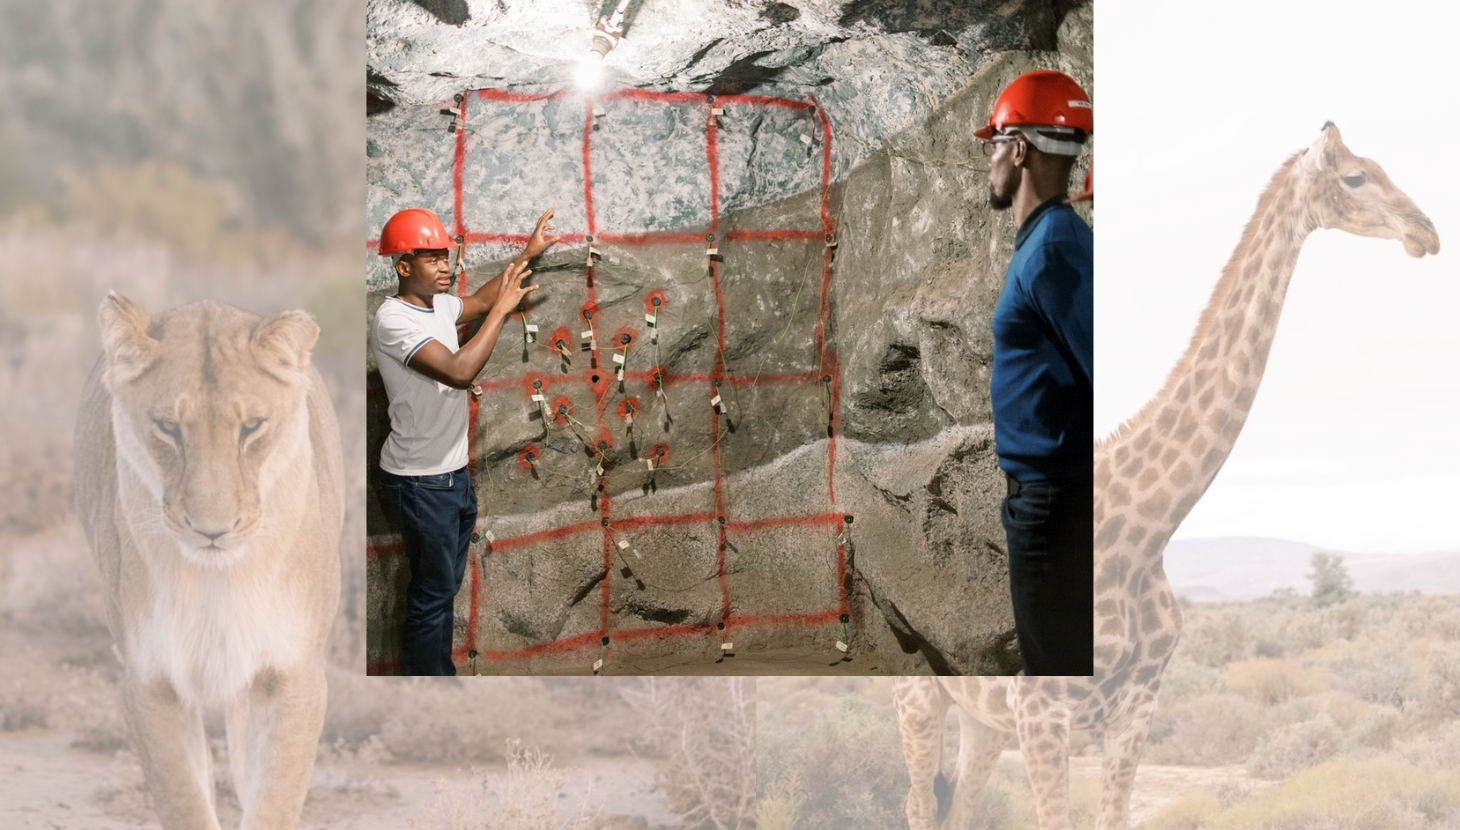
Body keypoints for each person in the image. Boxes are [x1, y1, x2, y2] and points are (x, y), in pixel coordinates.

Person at [371, 206, 558, 675]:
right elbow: (459, 371)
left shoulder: (439, 307)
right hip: (419, 482)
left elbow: (477, 299)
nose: (444, 266)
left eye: (445, 257)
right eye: (432, 259)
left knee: (442, 590)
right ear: (403, 266)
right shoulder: (394, 321)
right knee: (432, 597)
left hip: (450, 476)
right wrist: (501, 312)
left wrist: (528, 254)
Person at [976, 70, 1094, 676]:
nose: (991, 160)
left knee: (1055, 673)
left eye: (995, 143)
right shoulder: (1047, 241)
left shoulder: (1052, 249)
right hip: (1044, 498)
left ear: (1020, 149)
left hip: (1053, 505)